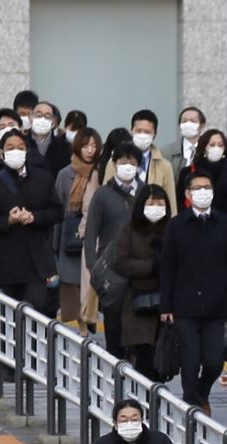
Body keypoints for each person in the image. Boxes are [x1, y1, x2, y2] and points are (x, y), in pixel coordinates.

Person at [157, 172, 227, 409]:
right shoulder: (177, 225)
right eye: (197, 187)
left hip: (216, 304)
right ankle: (192, 403)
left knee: (214, 361)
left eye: (207, 187)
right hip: (185, 305)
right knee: (190, 361)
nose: (203, 192)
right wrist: (166, 306)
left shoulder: (226, 223)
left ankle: (202, 392)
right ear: (187, 194)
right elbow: (168, 266)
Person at [0, 129, 61, 311]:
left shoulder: (43, 178)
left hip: (36, 260)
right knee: (7, 314)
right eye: (10, 147)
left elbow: (56, 211)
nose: (16, 151)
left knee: (37, 307)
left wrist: (34, 217)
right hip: (5, 262)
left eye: (20, 147)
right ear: (1, 153)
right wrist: (8, 220)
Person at [85, 142, 142, 353]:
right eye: (123, 161)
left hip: (140, 267)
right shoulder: (102, 194)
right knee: (113, 325)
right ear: (115, 163)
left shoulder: (145, 193)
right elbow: (91, 233)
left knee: (138, 325)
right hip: (111, 269)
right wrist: (94, 268)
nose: (128, 166)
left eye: (132, 162)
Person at [112, 185, 170, 376]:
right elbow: (119, 261)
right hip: (138, 303)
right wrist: (150, 266)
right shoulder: (129, 229)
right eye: (150, 203)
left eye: (160, 203)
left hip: (167, 305)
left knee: (163, 359)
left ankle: (155, 398)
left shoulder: (172, 228)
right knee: (144, 358)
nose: (156, 207)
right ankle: (144, 401)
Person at [55, 128, 101, 326]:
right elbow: (58, 206)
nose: (90, 150)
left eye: (93, 145)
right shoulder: (65, 173)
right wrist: (55, 243)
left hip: (95, 233)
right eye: (85, 146)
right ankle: (79, 326)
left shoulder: (100, 172)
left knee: (91, 279)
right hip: (70, 231)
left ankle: (89, 317)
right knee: (71, 282)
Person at [99, 109, 175, 203]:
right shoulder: (115, 160)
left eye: (147, 132)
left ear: (155, 134)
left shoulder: (164, 166)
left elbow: (171, 201)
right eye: (138, 131)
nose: (142, 135)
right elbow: (104, 193)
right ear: (131, 131)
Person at [173, 127, 227, 210]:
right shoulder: (188, 172)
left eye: (220, 145)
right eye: (212, 145)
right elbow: (179, 202)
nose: (216, 148)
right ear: (204, 148)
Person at [165, 106, 206, 182]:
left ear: (202, 126)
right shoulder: (167, 152)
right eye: (184, 121)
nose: (188, 124)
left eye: (193, 121)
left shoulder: (207, 150)